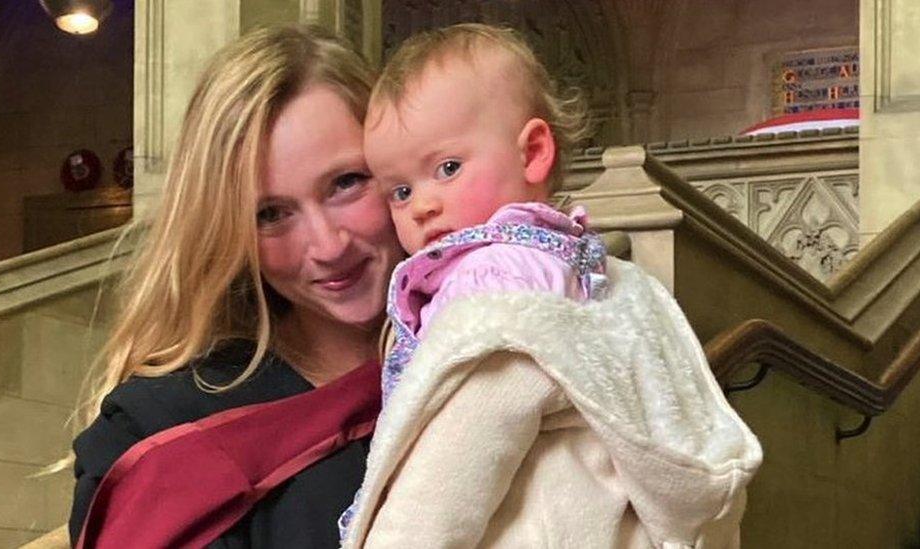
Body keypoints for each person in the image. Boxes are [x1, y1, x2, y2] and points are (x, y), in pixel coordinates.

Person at [340, 24, 763, 548]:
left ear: (534, 151)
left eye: (448, 168)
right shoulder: (582, 266)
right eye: (400, 190)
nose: (423, 204)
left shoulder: (494, 285)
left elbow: (459, 456)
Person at [67, 25, 403, 548]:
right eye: (271, 214)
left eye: (346, 183)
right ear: (228, 230)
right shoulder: (162, 432)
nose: (327, 246)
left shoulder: (498, 352)